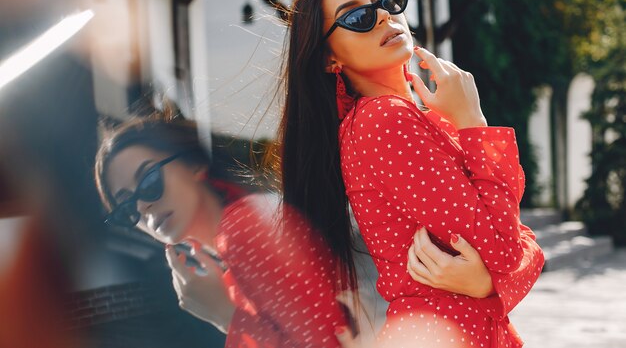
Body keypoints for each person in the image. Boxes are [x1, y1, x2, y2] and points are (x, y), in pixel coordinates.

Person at [277, 0, 544, 348]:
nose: (383, 16)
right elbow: (505, 249)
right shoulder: (383, 121)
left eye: (387, 0)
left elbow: (513, 242)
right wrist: (473, 119)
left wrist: (492, 281)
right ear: (329, 57)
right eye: (357, 17)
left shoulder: (416, 118)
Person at [94, 112, 499, 348]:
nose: (144, 207)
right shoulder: (236, 233)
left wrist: (224, 316)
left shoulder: (240, 230)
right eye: (127, 207)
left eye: (148, 182)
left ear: (193, 165)